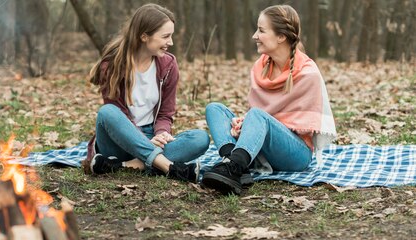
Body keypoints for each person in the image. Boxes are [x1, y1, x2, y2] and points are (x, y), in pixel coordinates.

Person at [201, 4, 337, 195]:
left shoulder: (308, 73)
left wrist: (253, 121)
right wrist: (244, 124)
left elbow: (295, 123)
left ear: (281, 37)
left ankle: (234, 166)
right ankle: (233, 164)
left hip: (296, 154)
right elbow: (259, 117)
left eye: (261, 30)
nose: (254, 36)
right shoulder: (260, 67)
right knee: (214, 108)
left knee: (257, 116)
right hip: (262, 143)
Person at [83, 3, 210, 183]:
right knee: (107, 112)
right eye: (165, 36)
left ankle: (122, 166)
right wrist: (143, 142)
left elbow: (165, 114)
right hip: (117, 141)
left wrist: (162, 133)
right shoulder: (112, 65)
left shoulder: (168, 66)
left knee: (200, 138)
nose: (171, 42)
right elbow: (116, 116)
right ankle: (168, 167)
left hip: (151, 136)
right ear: (144, 36)